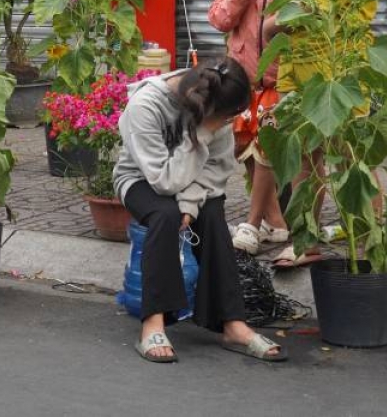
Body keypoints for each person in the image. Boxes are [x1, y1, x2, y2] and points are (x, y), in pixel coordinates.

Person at [114, 58, 288, 363]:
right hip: (141, 179)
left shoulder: (217, 102)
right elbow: (163, 181)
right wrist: (203, 134)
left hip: (194, 183)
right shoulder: (146, 105)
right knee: (164, 215)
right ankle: (152, 322)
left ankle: (233, 323)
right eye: (222, 119)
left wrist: (191, 204)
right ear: (209, 109)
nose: (226, 124)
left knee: (212, 214)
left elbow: (218, 168)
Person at [268, 0, 385, 268]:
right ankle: (306, 241)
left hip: (338, 70)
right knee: (306, 159)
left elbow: (325, 6)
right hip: (306, 65)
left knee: (348, 156)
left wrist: (274, 25)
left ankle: (374, 245)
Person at [208, 0, 291, 256]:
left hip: (277, 82)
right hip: (242, 82)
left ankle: (252, 225)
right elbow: (219, 20)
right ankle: (278, 223)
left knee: (266, 151)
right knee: (247, 152)